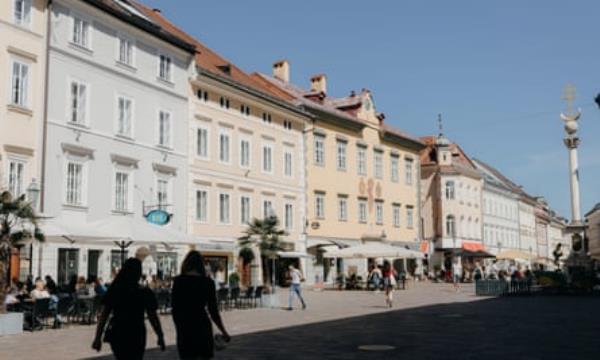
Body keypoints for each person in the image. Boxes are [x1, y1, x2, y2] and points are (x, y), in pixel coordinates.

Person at [92, 258, 165, 360]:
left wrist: (97, 338)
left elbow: (105, 315)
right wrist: (160, 335)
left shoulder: (116, 289)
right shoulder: (144, 292)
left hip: (118, 332)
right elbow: (153, 316)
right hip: (136, 332)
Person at [171, 251, 230, 360]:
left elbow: (175, 309)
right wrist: (224, 331)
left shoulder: (178, 282)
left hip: (185, 328)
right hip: (202, 326)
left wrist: (179, 328)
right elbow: (214, 312)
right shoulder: (208, 283)